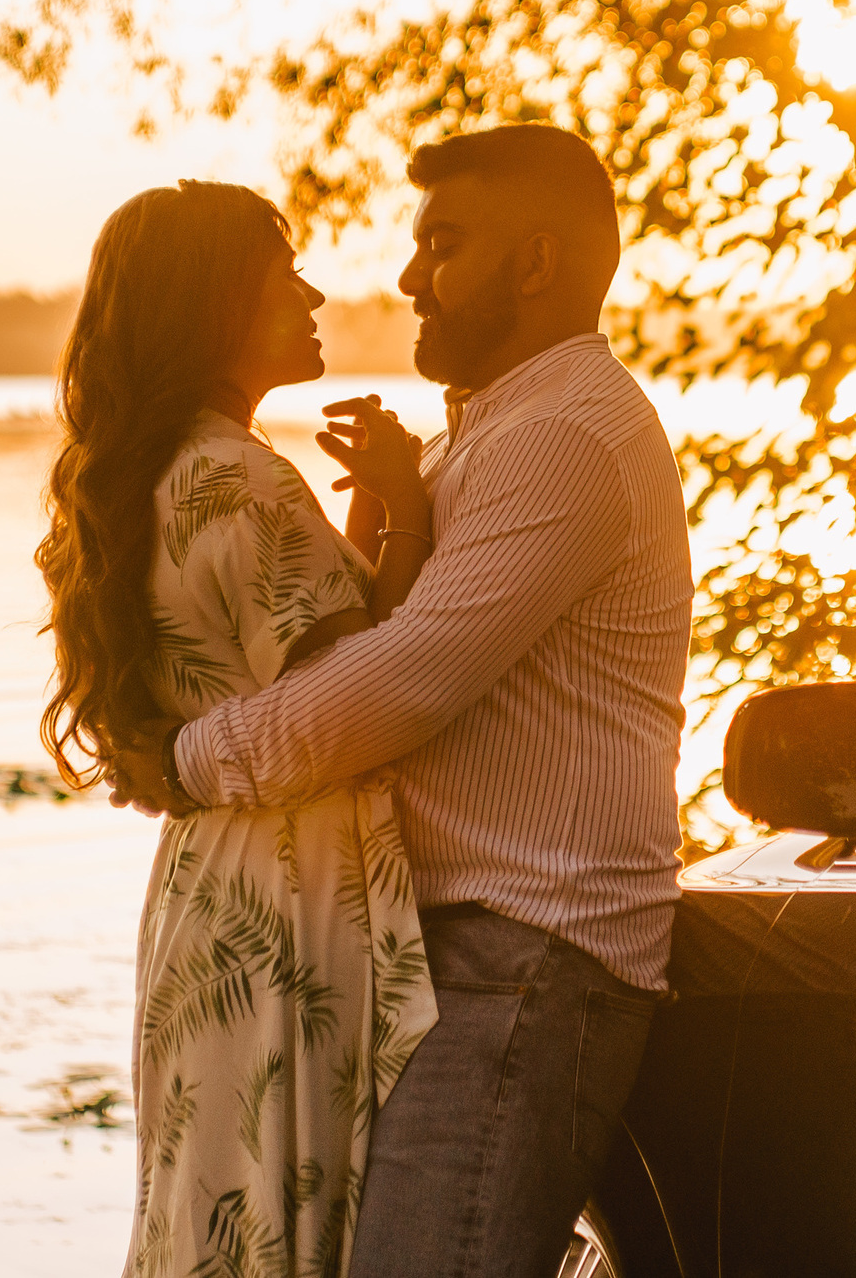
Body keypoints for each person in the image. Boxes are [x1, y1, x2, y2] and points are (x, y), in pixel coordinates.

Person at [108, 124, 692, 1278]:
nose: (409, 275)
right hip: (436, 954)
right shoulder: (493, 431)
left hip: (525, 954)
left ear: (534, 263)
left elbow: (401, 681)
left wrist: (184, 762)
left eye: (443, 243)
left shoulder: (566, 437)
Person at [35, 182, 443, 1278]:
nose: (313, 294)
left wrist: (357, 526)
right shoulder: (242, 476)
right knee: (289, 1210)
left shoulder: (161, 473)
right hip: (291, 892)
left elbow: (286, 650)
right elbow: (354, 693)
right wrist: (405, 503)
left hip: (204, 889)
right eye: (285, 276)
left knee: (213, 1202)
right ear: (216, 303)